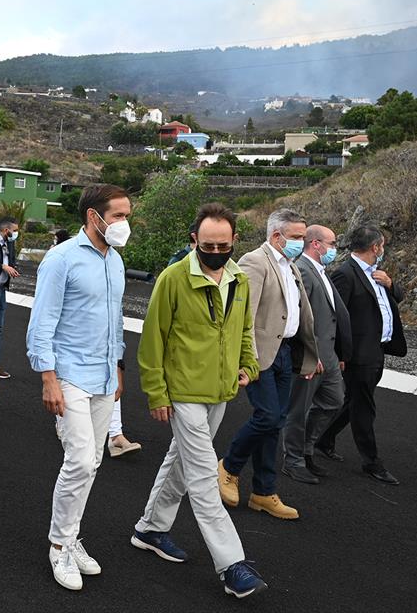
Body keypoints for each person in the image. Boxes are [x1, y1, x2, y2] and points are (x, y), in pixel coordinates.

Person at [132, 202, 267, 600]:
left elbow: (243, 330)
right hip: (183, 393)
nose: (215, 250)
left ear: (234, 241)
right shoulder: (173, 279)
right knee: (206, 475)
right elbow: (152, 342)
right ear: (194, 240)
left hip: (220, 391)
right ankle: (231, 565)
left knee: (181, 461)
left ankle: (150, 528)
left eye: (222, 244)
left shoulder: (239, 279)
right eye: (207, 244)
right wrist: (156, 392)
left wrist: (249, 365)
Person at [27, 184, 130, 591]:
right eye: (119, 216)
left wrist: (118, 365)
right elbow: (42, 323)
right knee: (81, 459)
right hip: (69, 374)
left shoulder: (115, 260)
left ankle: (71, 536)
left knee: (94, 463)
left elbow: (115, 318)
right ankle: (58, 545)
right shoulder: (61, 259)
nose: (126, 223)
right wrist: (47, 378)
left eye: (127, 215)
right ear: (95, 217)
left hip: (104, 374)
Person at [217, 208, 318, 521]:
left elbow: (295, 313)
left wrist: (309, 355)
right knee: (268, 417)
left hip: (285, 353)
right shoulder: (255, 262)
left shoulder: (290, 266)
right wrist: (242, 359)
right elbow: (242, 314)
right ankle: (229, 466)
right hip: (260, 355)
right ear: (277, 236)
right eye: (298, 237)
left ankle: (263, 491)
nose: (302, 242)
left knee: (276, 421)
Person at [314, 223, 406, 484]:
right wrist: (340, 354)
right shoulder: (346, 274)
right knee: (364, 407)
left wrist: (390, 284)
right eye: (382, 246)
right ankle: (371, 462)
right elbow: (335, 316)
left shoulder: (377, 274)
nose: (383, 250)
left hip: (378, 349)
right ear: (375, 247)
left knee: (354, 400)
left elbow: (396, 297)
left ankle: (323, 439)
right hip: (359, 355)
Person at [281, 224, 351, 485]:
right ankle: (294, 460)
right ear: (316, 244)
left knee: (334, 400)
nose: (334, 249)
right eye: (332, 244)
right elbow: (298, 317)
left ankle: (307, 449)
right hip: (312, 356)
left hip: (330, 355)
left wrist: (338, 354)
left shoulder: (321, 271)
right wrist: (309, 353)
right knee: (297, 410)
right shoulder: (304, 272)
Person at [0, 217, 21, 379]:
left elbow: (11, 261)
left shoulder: (10, 243)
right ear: (6, 230)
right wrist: (2, 266)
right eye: (14, 231)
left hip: (1, 290)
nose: (16, 234)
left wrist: (12, 268)